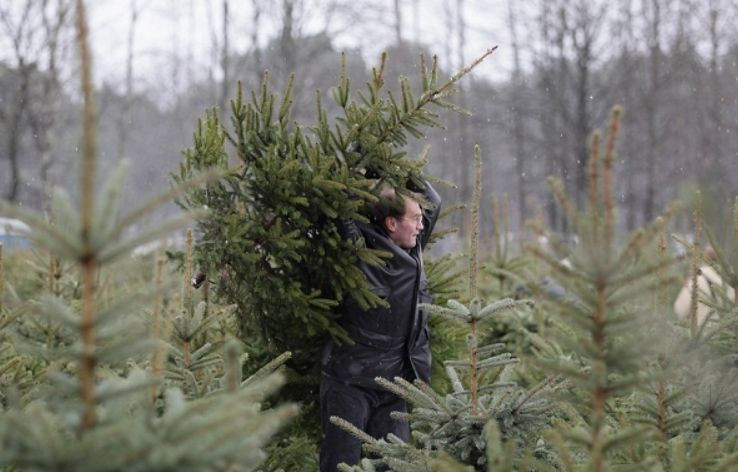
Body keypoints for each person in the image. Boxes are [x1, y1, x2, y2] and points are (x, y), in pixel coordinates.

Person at [319, 179, 441, 471]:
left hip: (392, 386)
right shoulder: (360, 251)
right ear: (390, 223)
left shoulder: (413, 252)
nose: (421, 225)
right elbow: (338, 203)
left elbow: (433, 204)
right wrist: (362, 160)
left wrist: (395, 172)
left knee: (394, 465)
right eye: (414, 219)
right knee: (341, 465)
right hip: (350, 383)